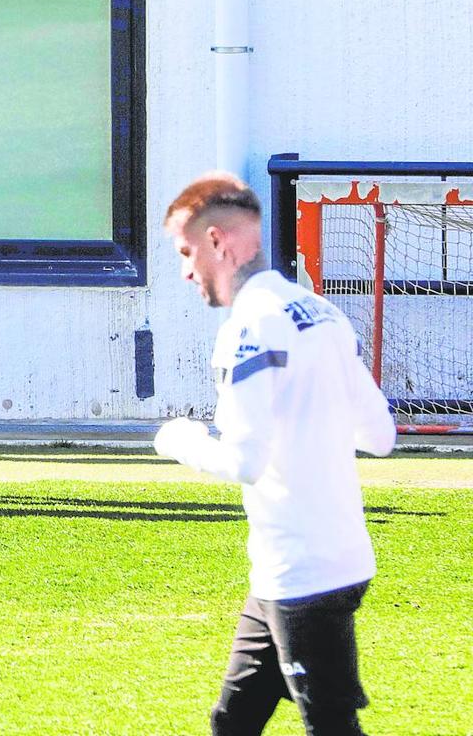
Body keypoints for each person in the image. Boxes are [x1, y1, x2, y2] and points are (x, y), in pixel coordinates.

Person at [156, 173, 397, 735]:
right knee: (233, 721)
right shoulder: (321, 313)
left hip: (304, 570)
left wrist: (177, 438)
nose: (186, 271)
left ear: (220, 243)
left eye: (187, 252)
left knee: (330, 725)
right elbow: (379, 434)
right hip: (319, 560)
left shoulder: (247, 327)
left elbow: (244, 460)